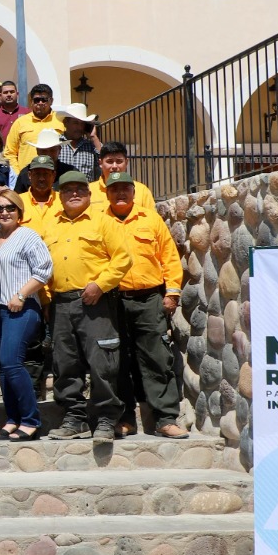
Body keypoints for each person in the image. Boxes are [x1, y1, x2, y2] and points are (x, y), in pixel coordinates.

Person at [42, 172, 133, 442]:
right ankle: (74, 419)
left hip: (95, 302)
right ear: (59, 196)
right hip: (60, 303)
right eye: (67, 189)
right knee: (65, 364)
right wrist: (46, 298)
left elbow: (123, 259)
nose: (74, 193)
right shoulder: (50, 224)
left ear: (89, 194)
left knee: (102, 363)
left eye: (80, 189)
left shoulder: (103, 222)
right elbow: (41, 265)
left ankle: (106, 419)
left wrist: (100, 285)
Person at [104, 172, 185, 438]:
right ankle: (124, 419)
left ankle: (165, 419)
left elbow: (169, 256)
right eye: (114, 189)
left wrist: (172, 293)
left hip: (149, 299)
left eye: (125, 189)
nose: (120, 193)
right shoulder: (99, 221)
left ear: (133, 191)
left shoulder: (150, 219)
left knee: (157, 358)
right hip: (112, 300)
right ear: (106, 193)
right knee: (117, 362)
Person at [0, 190, 53, 441]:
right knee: (3, 366)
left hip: (21, 308)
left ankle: (31, 420)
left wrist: (22, 294)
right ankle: (12, 419)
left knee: (12, 361)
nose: (4, 212)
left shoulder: (28, 236)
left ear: (19, 211)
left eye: (10, 208)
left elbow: (44, 270)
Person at [87, 140, 157, 215]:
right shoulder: (89, 191)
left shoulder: (142, 191)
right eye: (110, 161)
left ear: (126, 162)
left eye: (119, 161)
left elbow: (153, 218)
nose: (114, 166)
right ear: (100, 163)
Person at [5, 84, 65, 170]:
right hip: (27, 174)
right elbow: (10, 152)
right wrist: (18, 173)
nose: (40, 103)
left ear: (51, 101)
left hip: (55, 173)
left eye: (44, 100)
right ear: (31, 101)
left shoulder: (61, 120)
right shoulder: (20, 122)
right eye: (37, 100)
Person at [55, 103, 102, 180]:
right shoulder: (55, 143)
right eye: (75, 123)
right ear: (65, 122)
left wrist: (93, 137)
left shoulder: (91, 146)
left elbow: (103, 160)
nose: (80, 127)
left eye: (82, 123)